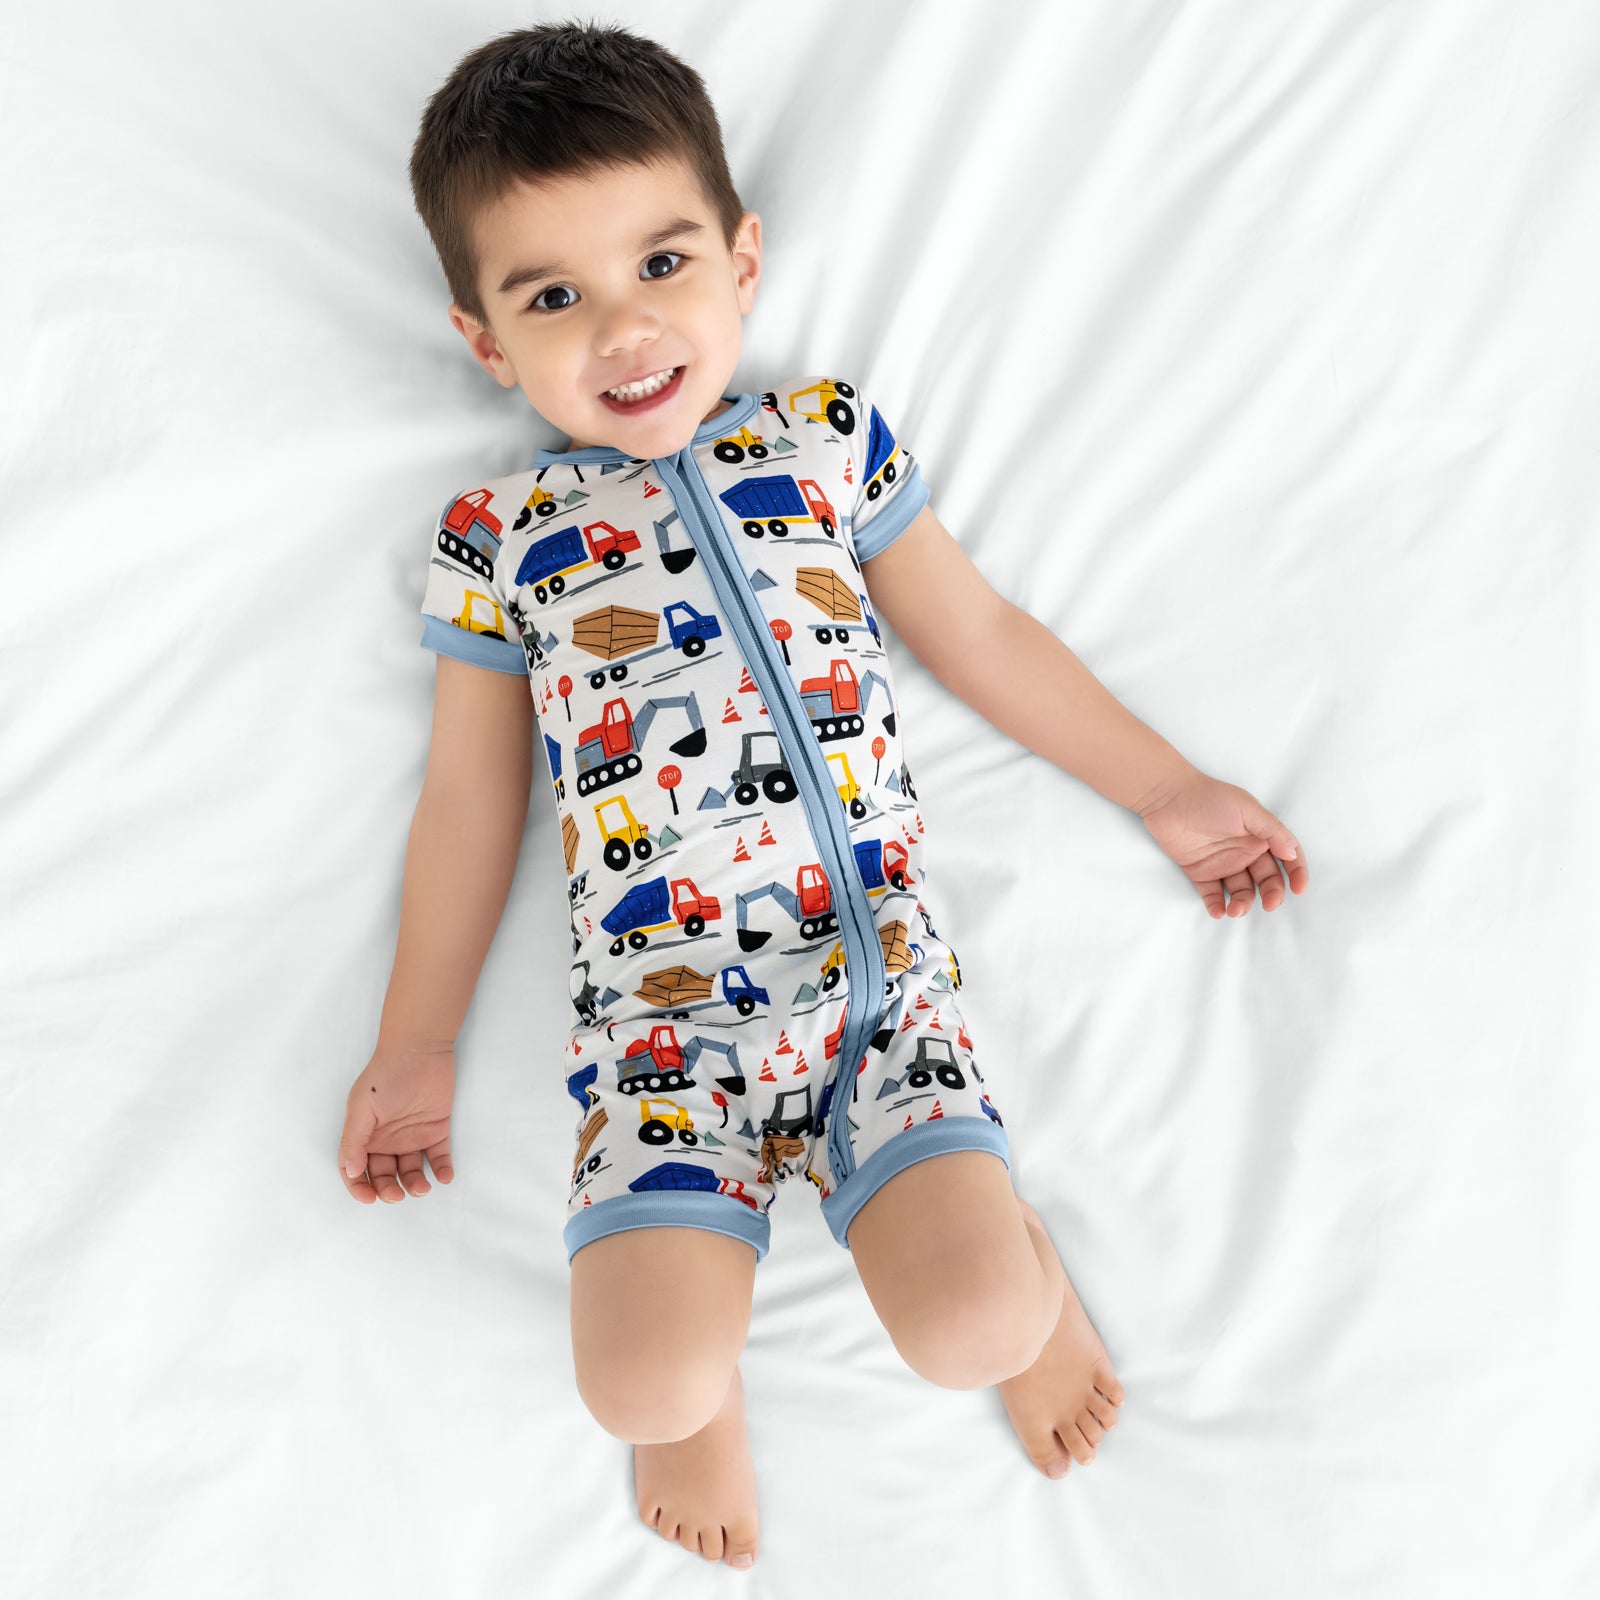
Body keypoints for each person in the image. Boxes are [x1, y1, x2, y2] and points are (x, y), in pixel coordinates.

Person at [336, 19, 1310, 1575]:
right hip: (666, 1035)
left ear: (743, 258)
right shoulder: (497, 541)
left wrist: (1171, 791)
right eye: (553, 297)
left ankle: (1026, 1273)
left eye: (662, 264)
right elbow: (466, 803)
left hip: (877, 1000)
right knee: (639, 1383)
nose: (623, 328)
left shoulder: (821, 443)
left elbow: (981, 636)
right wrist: (414, 1044)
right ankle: (697, 1386)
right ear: (486, 342)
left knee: (977, 1327)